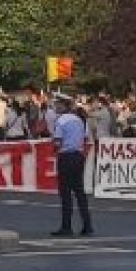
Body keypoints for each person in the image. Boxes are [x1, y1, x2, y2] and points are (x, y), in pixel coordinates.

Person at [51, 94, 94, 237]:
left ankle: (66, 226)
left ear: (64, 106)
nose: (56, 106)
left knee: (65, 193)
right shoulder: (79, 120)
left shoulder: (61, 121)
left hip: (66, 157)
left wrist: (55, 149)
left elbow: (57, 141)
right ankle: (87, 225)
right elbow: (86, 138)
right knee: (80, 192)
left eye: (57, 104)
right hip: (79, 156)